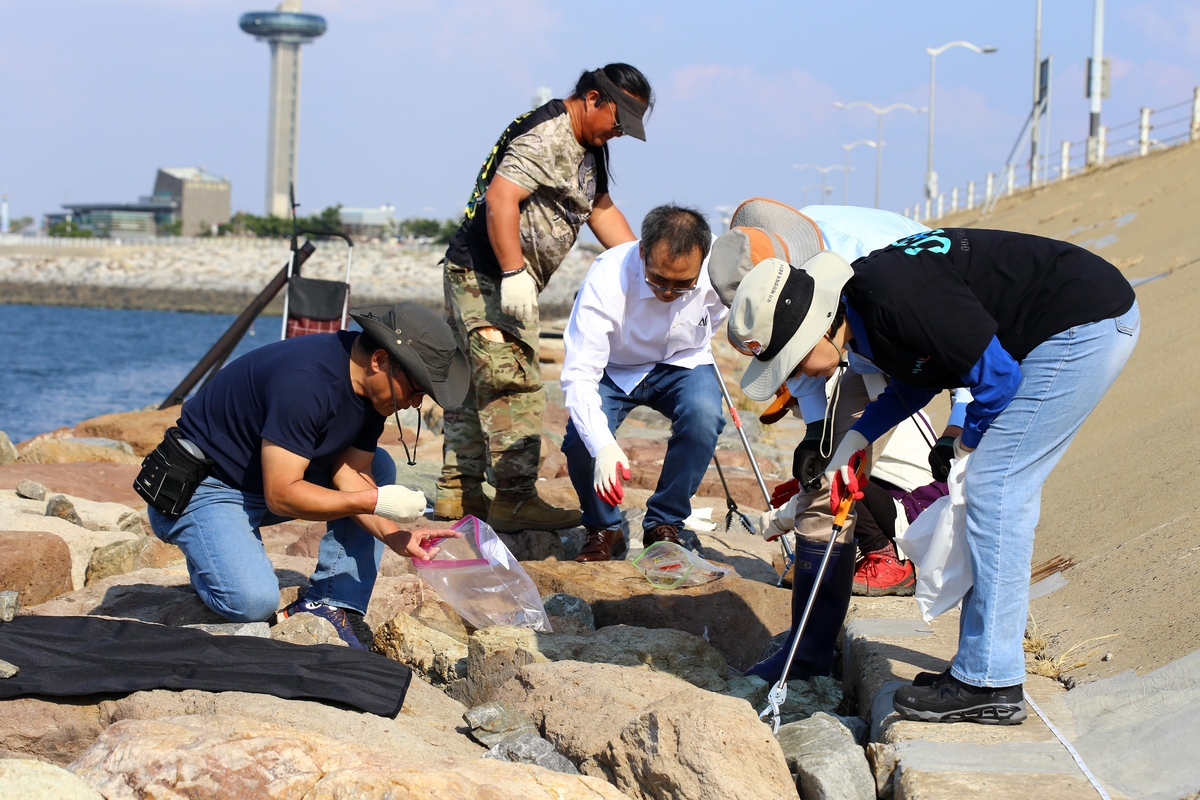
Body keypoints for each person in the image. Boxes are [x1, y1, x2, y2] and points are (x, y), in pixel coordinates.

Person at [728, 226, 1138, 723]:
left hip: (1082, 323)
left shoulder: (896, 299)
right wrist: (851, 446)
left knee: (995, 488)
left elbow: (999, 380)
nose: (797, 376)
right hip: (1058, 324)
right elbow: (911, 386)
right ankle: (977, 666)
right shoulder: (866, 310)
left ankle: (989, 682)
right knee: (988, 491)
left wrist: (963, 442)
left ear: (816, 329)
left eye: (791, 361)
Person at [147, 303, 469, 649]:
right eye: (417, 389)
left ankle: (330, 602)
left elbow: (353, 472)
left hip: (259, 480)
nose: (416, 403)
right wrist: (376, 501)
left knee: (378, 467)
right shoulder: (306, 383)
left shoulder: (372, 388)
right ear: (380, 360)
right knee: (252, 603)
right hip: (205, 486)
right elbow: (282, 495)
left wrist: (394, 535)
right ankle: (208, 556)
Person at [436, 63, 653, 534]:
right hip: (488, 276)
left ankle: (460, 494)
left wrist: (643, 266)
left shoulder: (587, 147)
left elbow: (599, 208)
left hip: (491, 277)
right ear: (594, 98)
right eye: (618, 122)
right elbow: (501, 198)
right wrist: (514, 272)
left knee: (474, 388)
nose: (618, 134)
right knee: (514, 386)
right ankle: (514, 500)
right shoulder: (550, 133)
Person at [559, 205, 727, 561]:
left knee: (705, 416)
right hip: (614, 367)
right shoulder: (606, 279)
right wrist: (603, 445)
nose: (668, 292)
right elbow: (580, 373)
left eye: (683, 285)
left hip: (680, 360)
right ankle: (604, 526)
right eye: (658, 280)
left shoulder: (720, 269)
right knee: (581, 441)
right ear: (641, 252)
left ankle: (664, 524)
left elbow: (721, 316)